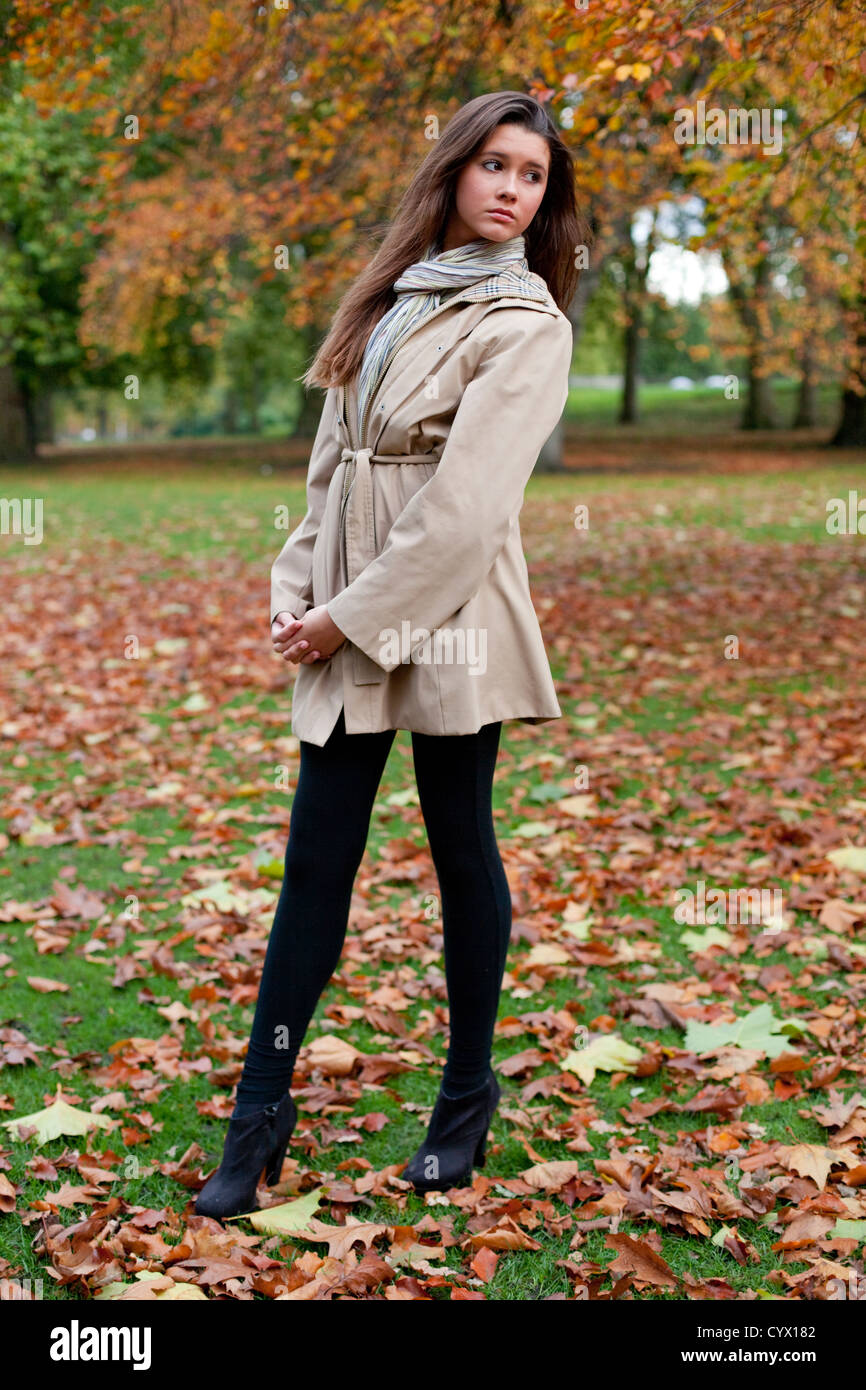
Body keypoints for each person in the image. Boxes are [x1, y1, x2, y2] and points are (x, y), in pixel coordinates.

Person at [195, 90, 591, 1219]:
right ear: (454, 170)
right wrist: (296, 591)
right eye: (496, 166)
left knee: (459, 848)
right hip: (346, 601)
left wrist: (352, 616)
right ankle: (258, 1112)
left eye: (533, 176)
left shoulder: (528, 326)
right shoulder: (387, 297)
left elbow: (464, 514)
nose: (513, 189)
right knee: (316, 860)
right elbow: (332, 465)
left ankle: (464, 1096)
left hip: (450, 611)